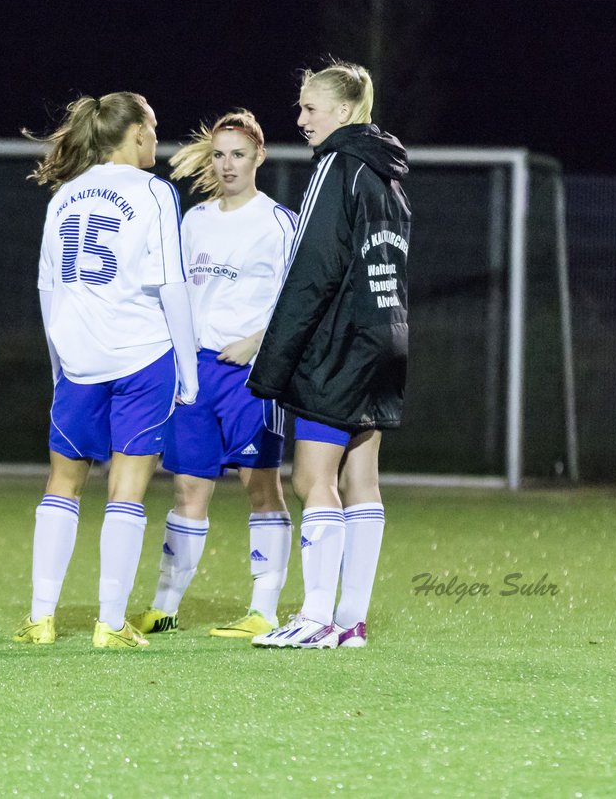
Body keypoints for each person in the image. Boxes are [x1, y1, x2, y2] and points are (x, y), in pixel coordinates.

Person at [13, 91, 199, 649]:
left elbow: (48, 289)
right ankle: (109, 623)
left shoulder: (64, 194)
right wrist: (187, 372)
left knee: (62, 484)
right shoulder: (155, 192)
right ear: (136, 133)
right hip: (142, 356)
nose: (158, 141)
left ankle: (41, 618)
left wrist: (57, 364)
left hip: (78, 360)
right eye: (155, 129)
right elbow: (172, 284)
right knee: (127, 489)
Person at [246, 59, 411, 650]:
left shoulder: (338, 164)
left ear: (344, 112)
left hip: (339, 345)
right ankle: (350, 621)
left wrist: (273, 363)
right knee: (361, 479)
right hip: (386, 339)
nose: (301, 120)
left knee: (312, 477)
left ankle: (315, 617)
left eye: (310, 109)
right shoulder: (388, 174)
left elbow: (311, 271)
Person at [126, 110, 297, 640]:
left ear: (259, 158)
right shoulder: (194, 220)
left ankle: (263, 611)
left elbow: (300, 300)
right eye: (219, 154)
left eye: (238, 155)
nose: (227, 165)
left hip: (250, 375)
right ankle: (165, 606)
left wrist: (258, 344)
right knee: (187, 492)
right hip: (194, 372)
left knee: (261, 488)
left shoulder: (278, 223)